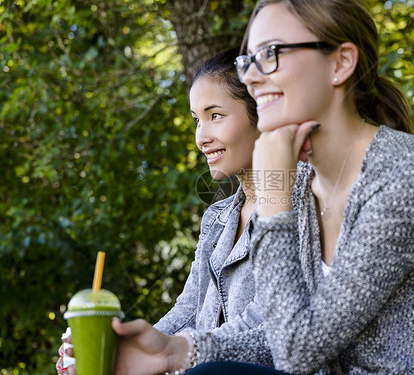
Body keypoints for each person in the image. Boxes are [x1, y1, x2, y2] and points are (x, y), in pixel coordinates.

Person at [79, 1, 414, 374]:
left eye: (272, 53)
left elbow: (298, 350)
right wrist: (174, 350)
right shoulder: (309, 189)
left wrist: (273, 198)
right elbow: (285, 331)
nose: (252, 76)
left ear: (340, 63)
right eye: (248, 60)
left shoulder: (405, 178)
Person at [55, 47, 265, 374]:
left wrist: (181, 354)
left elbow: (267, 322)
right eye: (197, 121)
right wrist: (124, 350)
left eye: (216, 116)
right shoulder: (217, 218)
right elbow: (189, 308)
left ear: (262, 113)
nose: (201, 138)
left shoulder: (302, 206)